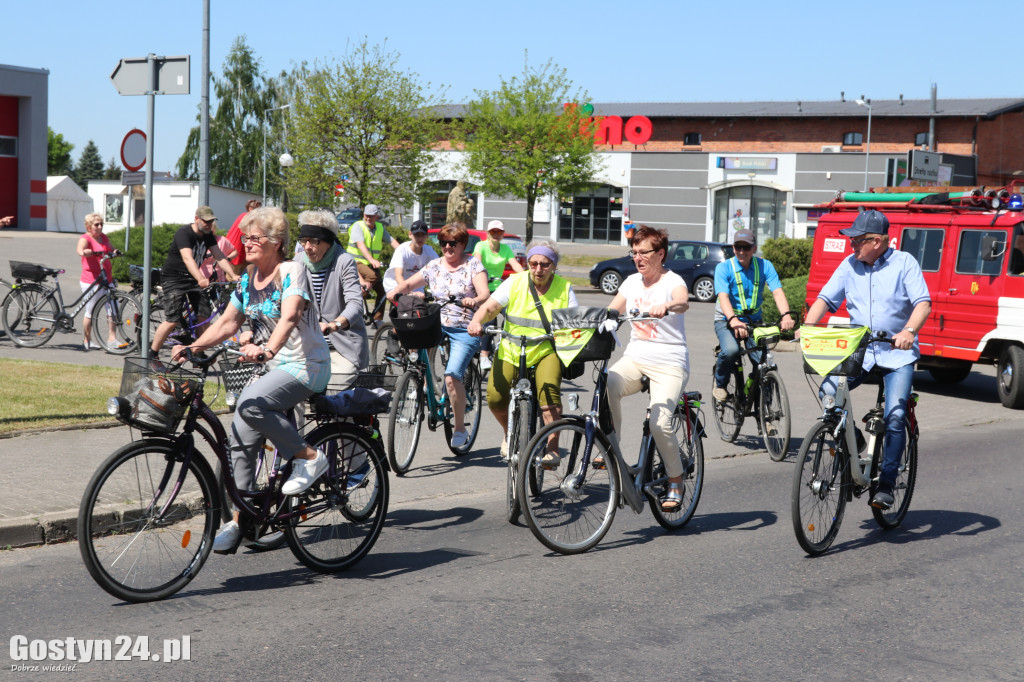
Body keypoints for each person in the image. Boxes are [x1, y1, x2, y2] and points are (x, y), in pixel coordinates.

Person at [174, 207, 332, 553]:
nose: (247, 242)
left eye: (255, 237)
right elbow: (229, 323)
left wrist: (268, 350)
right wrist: (193, 345)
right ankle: (241, 519)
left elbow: (290, 314)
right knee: (240, 438)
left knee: (249, 405)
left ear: (276, 242)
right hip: (275, 366)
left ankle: (309, 458)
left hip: (306, 363)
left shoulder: (292, 270)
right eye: (245, 237)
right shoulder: (247, 278)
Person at [804, 209, 931, 509]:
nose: (851, 246)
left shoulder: (904, 264)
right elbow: (824, 300)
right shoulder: (850, 266)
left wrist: (909, 330)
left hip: (896, 354)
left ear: (877, 241)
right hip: (860, 350)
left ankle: (886, 483)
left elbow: (922, 303)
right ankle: (855, 440)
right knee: (828, 393)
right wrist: (807, 328)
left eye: (856, 241)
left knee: (896, 417)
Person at [604, 225, 691, 511]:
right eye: (634, 253)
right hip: (636, 357)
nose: (638, 258)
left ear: (660, 253)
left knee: (659, 424)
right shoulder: (631, 282)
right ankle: (612, 445)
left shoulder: (672, 280)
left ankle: (675, 479)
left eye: (644, 253)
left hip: (669, 361)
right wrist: (605, 319)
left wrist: (666, 306)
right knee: (609, 382)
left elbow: (683, 302)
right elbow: (612, 309)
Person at [468, 238, 578, 465]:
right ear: (527, 263)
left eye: (545, 264)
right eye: (534, 263)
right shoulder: (514, 282)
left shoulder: (565, 289)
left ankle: (553, 448)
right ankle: (509, 432)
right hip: (511, 348)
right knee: (496, 397)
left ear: (554, 266)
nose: (538, 269)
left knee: (549, 399)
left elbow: (575, 324)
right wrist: (477, 321)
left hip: (545, 349)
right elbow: (490, 307)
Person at [388, 222, 489, 448]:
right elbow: (409, 283)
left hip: (465, 327)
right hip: (436, 324)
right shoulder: (434, 265)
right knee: (413, 327)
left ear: (463, 244)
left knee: (452, 378)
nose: (447, 247)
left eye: (452, 243)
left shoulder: (473, 264)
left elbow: (485, 293)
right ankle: (416, 376)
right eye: (443, 243)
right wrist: (396, 290)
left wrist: (475, 300)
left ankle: (460, 428)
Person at [712, 228, 795, 403]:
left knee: (765, 364)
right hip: (727, 320)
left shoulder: (765, 266)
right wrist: (733, 320)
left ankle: (767, 414)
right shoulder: (724, 267)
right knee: (731, 350)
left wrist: (786, 315)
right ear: (733, 248)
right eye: (738, 247)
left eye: (746, 247)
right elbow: (723, 297)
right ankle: (720, 384)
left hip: (754, 321)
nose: (742, 251)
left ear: (754, 248)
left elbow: (777, 292)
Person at [294, 208, 369, 389]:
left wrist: (334, 325)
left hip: (343, 346)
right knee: (292, 388)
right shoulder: (298, 261)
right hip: (308, 346)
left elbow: (355, 304)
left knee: (335, 388)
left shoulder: (344, 260)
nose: (307, 247)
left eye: (314, 241)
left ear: (327, 242)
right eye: (304, 241)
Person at [150, 206, 237, 354]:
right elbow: (187, 258)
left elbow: (219, 255)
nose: (209, 225)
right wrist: (201, 278)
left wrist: (233, 275)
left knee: (204, 316)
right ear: (196, 219)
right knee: (173, 320)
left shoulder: (207, 234)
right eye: (206, 221)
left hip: (192, 279)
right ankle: (152, 354)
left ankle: (198, 353)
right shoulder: (184, 233)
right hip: (174, 279)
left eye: (211, 222)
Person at [472, 219, 524, 371]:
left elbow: (516, 265)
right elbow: (476, 264)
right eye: (493, 232)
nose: (496, 234)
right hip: (483, 289)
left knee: (511, 314)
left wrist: (526, 278)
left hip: (499, 288)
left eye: (499, 232)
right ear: (488, 233)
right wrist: (482, 277)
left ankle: (507, 344)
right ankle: (484, 355)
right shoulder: (481, 246)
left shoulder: (506, 249)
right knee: (490, 320)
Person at [75, 213, 122, 352]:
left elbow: (110, 248)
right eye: (97, 224)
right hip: (91, 281)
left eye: (101, 224)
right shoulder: (85, 238)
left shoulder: (104, 237)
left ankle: (112, 339)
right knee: (90, 311)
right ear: (89, 226)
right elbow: (79, 250)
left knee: (113, 308)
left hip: (106, 279)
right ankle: (87, 340)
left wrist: (115, 252)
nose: (100, 227)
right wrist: (85, 252)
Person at [346, 204, 400, 322]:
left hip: (370, 264)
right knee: (372, 276)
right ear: (363, 215)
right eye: (366, 216)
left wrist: (404, 253)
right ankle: (357, 296)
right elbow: (360, 244)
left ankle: (377, 319)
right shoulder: (358, 226)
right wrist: (371, 259)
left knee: (383, 290)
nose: (368, 218)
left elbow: (392, 241)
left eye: (371, 216)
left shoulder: (380, 228)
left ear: (376, 216)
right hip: (355, 262)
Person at [382, 219, 437, 297]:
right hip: (395, 286)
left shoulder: (429, 250)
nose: (420, 238)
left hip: (416, 288)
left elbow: (440, 266)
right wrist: (409, 293)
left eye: (423, 235)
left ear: (427, 236)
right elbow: (398, 275)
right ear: (410, 234)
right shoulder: (402, 249)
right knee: (408, 305)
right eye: (417, 235)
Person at [225, 199, 261, 269]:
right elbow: (246, 236)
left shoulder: (243, 216)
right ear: (250, 209)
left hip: (234, 250)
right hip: (237, 252)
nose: (259, 213)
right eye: (258, 210)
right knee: (235, 277)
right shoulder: (247, 218)